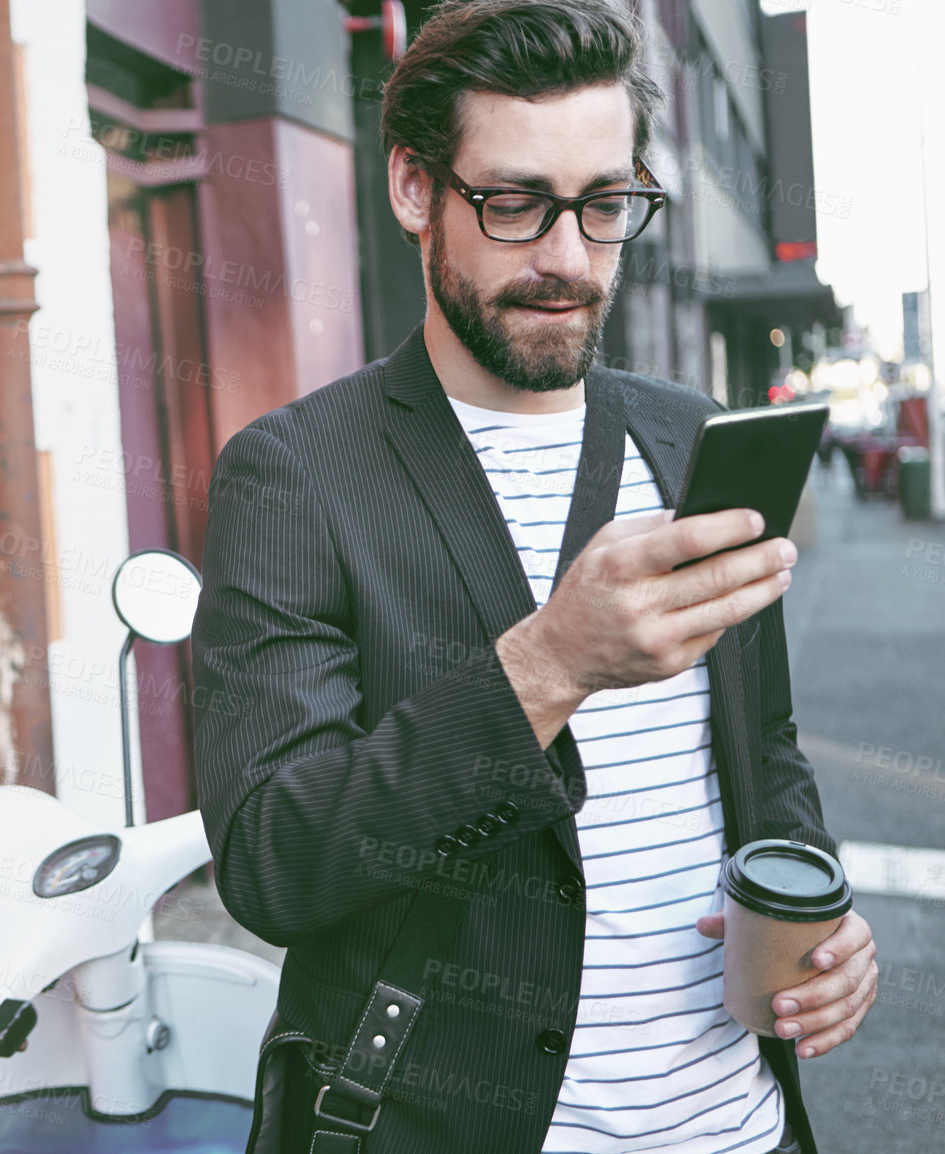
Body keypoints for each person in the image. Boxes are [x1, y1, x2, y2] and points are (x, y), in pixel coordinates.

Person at [189, 2, 877, 1152]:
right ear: (414, 190)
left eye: (604, 205)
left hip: (740, 1126)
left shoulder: (689, 437)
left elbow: (763, 753)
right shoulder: (298, 472)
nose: (566, 258)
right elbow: (273, 859)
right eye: (511, 204)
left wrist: (816, 904)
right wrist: (547, 664)